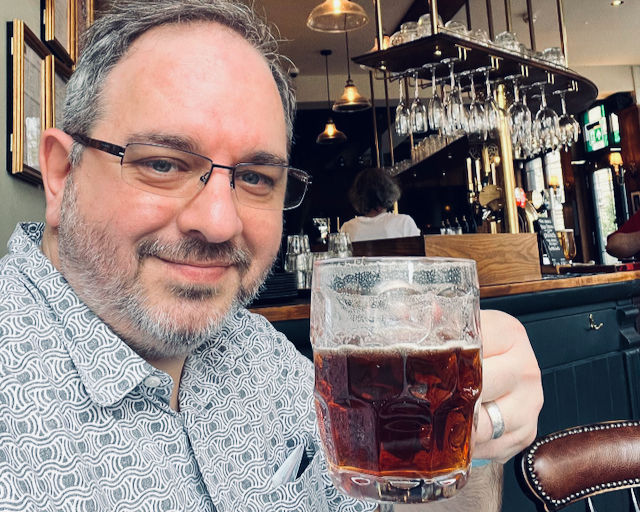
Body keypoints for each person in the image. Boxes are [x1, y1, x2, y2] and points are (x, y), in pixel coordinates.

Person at [0, 1, 543, 511]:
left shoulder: (259, 349)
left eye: (255, 177)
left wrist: (469, 436)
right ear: (61, 172)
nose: (219, 223)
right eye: (163, 164)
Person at [340, 167, 421, 242]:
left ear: (357, 195)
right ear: (389, 192)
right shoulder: (404, 222)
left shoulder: (347, 228)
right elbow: (420, 255)